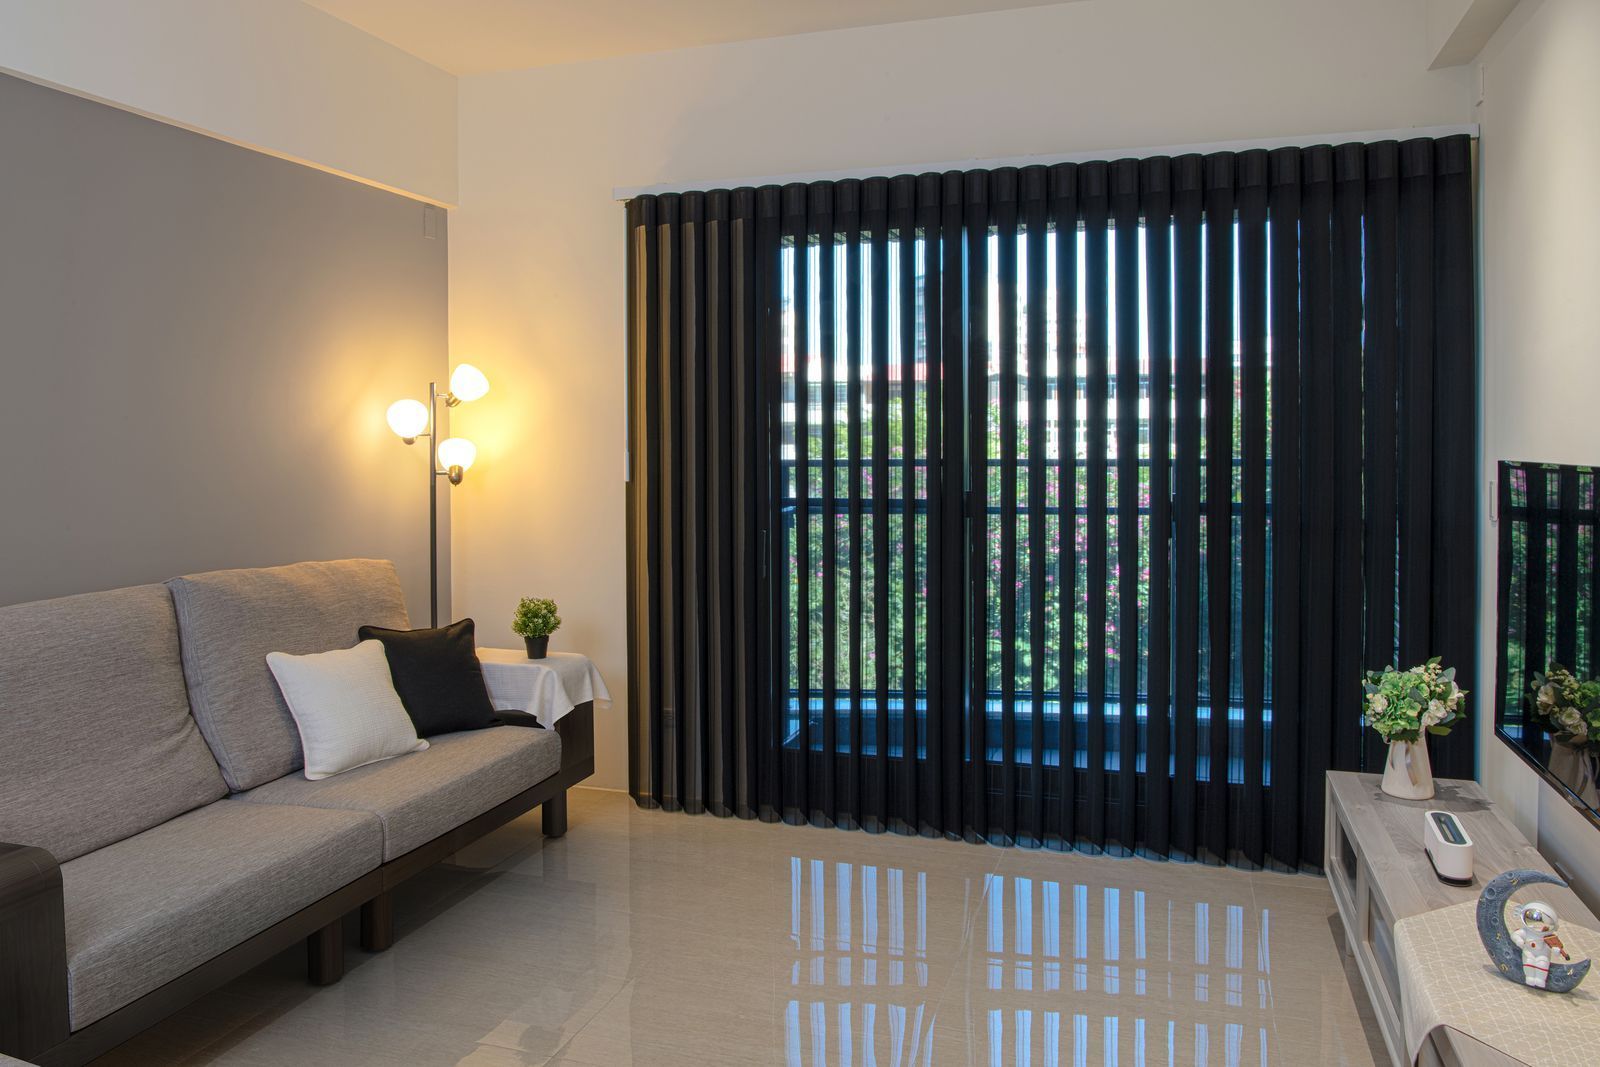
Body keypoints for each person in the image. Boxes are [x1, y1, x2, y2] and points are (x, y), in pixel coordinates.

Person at [1510, 902, 1571, 989]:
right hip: (1529, 951)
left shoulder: (1549, 936)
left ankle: (1540, 979)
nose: (1538, 925)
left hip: (1543, 954)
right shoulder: (1526, 931)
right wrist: (1518, 940)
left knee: (1542, 963)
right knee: (1529, 961)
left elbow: (1554, 948)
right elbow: (1515, 935)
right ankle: (1529, 977)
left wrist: (1556, 950)